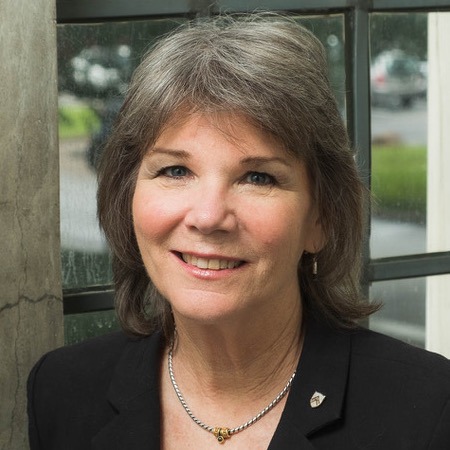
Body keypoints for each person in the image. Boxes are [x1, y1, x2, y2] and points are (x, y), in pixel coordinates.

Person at [28, 14, 450, 449]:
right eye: (175, 170)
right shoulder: (60, 392)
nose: (209, 216)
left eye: (258, 177)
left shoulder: (428, 411)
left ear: (321, 218)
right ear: (127, 194)